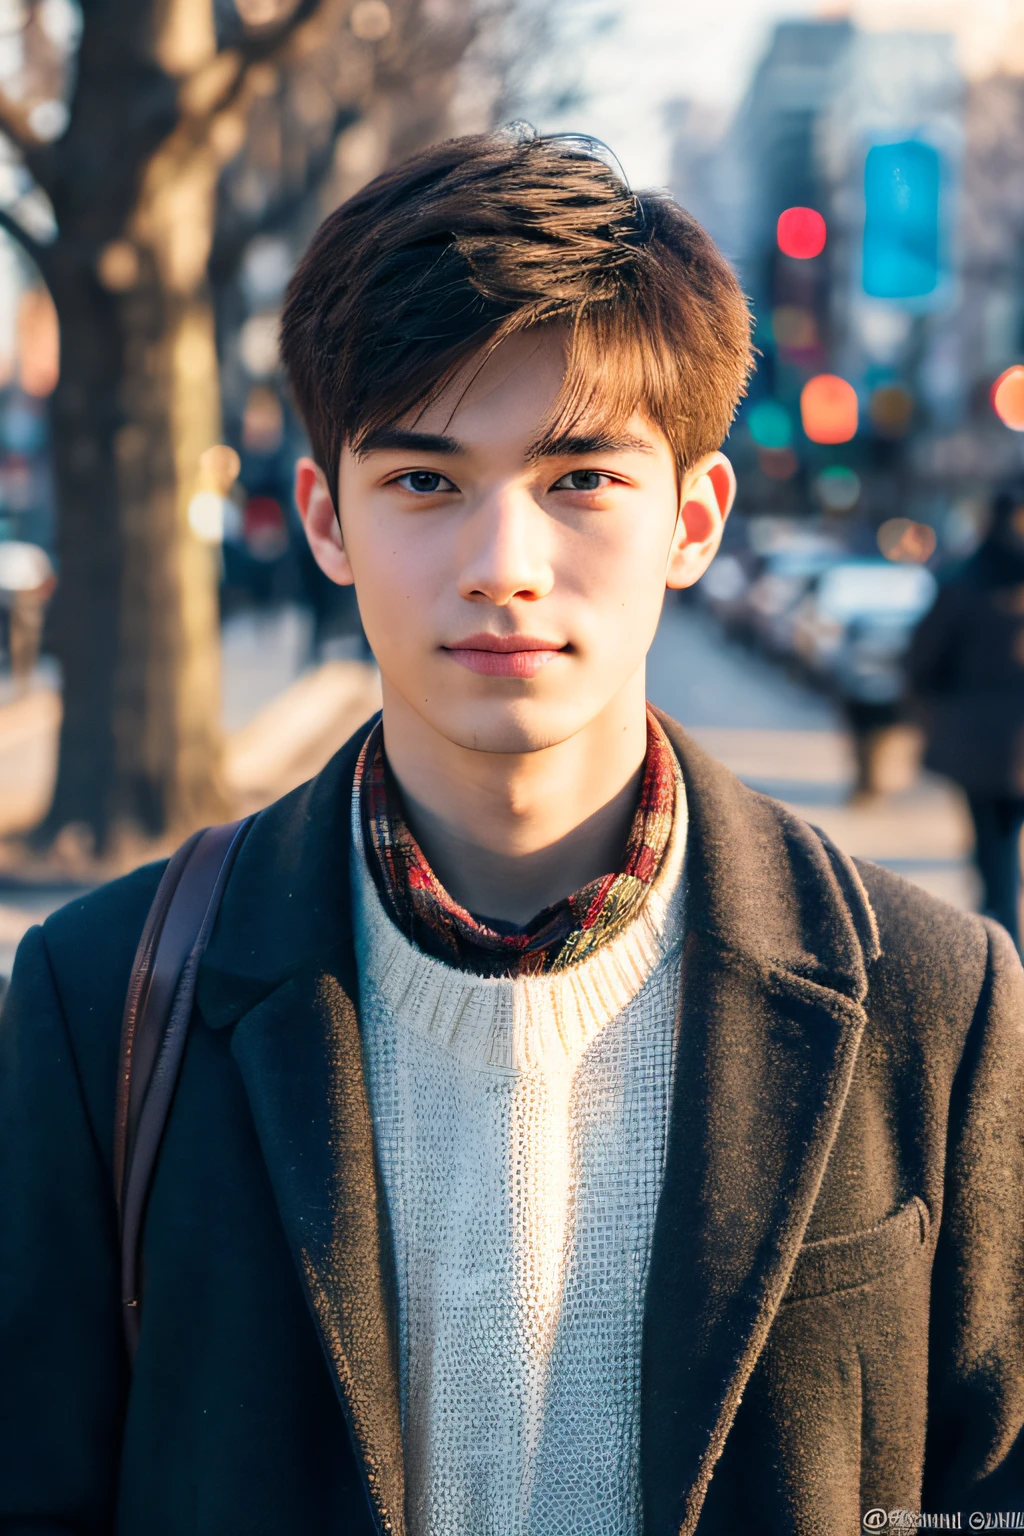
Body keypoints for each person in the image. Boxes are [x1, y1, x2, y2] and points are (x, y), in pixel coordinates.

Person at [2, 129, 1022, 1535]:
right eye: (425, 481)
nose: (502, 566)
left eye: (582, 479)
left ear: (694, 518)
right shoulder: (99, 998)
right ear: (325, 518)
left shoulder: (936, 1000)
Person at [908, 479, 1024, 951]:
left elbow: (925, 657)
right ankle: (1001, 934)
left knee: (991, 845)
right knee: (1002, 842)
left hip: (975, 742)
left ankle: (1001, 938)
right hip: (1001, 742)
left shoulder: (965, 580)